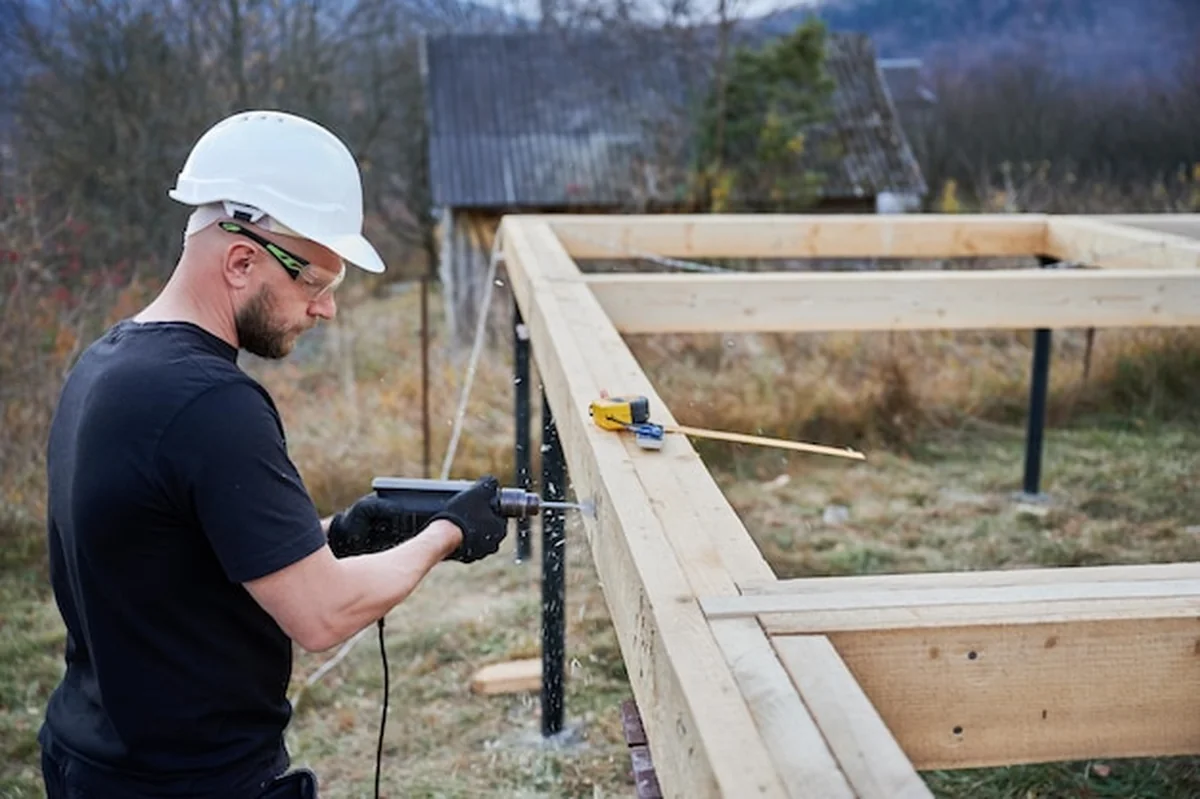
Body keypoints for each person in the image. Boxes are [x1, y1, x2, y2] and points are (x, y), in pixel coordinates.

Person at [36, 110, 510, 798]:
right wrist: (449, 532)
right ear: (241, 261)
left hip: (93, 758)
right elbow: (322, 615)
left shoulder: (109, 365)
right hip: (193, 781)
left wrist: (335, 535)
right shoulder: (211, 403)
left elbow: (178, 554)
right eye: (315, 283)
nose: (326, 309)